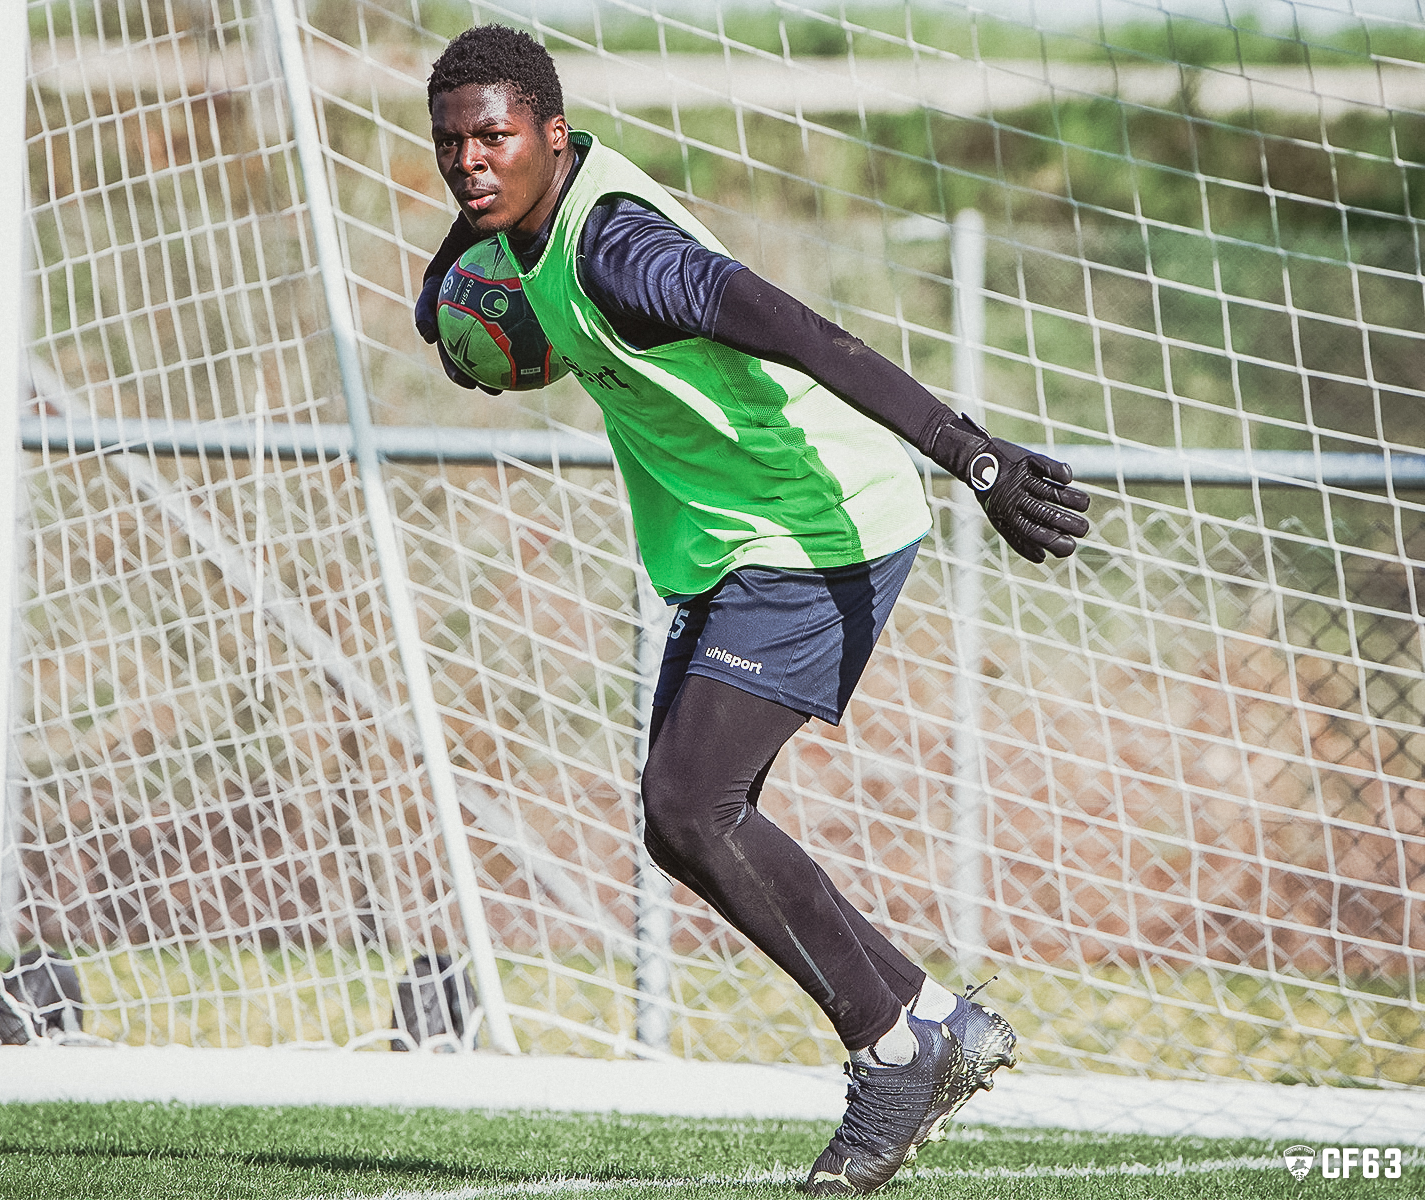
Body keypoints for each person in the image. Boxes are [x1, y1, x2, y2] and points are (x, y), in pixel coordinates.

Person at [413, 25, 1091, 1195]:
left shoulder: (624, 253)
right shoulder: (518, 213)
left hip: (819, 526)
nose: (472, 163)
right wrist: (451, 311)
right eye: (452, 144)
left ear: (552, 137)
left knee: (688, 803)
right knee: (682, 817)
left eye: (494, 138)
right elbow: (449, 291)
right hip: (744, 542)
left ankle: (892, 1052)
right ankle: (937, 1020)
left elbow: (807, 333)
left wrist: (971, 459)